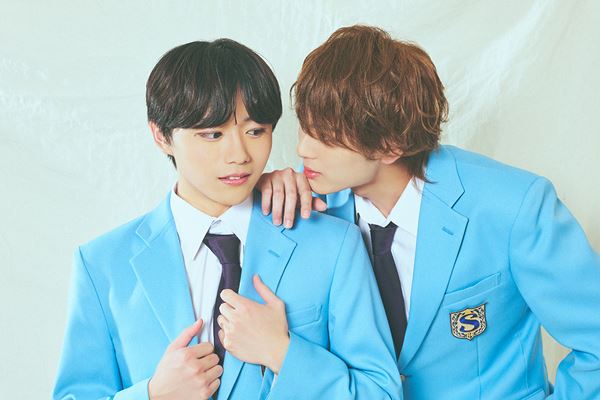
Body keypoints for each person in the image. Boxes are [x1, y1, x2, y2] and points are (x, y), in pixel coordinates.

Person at [259, 25, 600, 399]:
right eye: (304, 127)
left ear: (390, 146)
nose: (303, 149)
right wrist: (256, 191)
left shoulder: (513, 206)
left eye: (325, 136)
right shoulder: (307, 209)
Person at [53, 39, 402, 400]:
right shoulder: (102, 264)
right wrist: (153, 395)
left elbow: (382, 394)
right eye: (213, 134)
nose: (239, 155)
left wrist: (283, 353)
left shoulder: (333, 244)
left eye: (255, 131)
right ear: (161, 136)